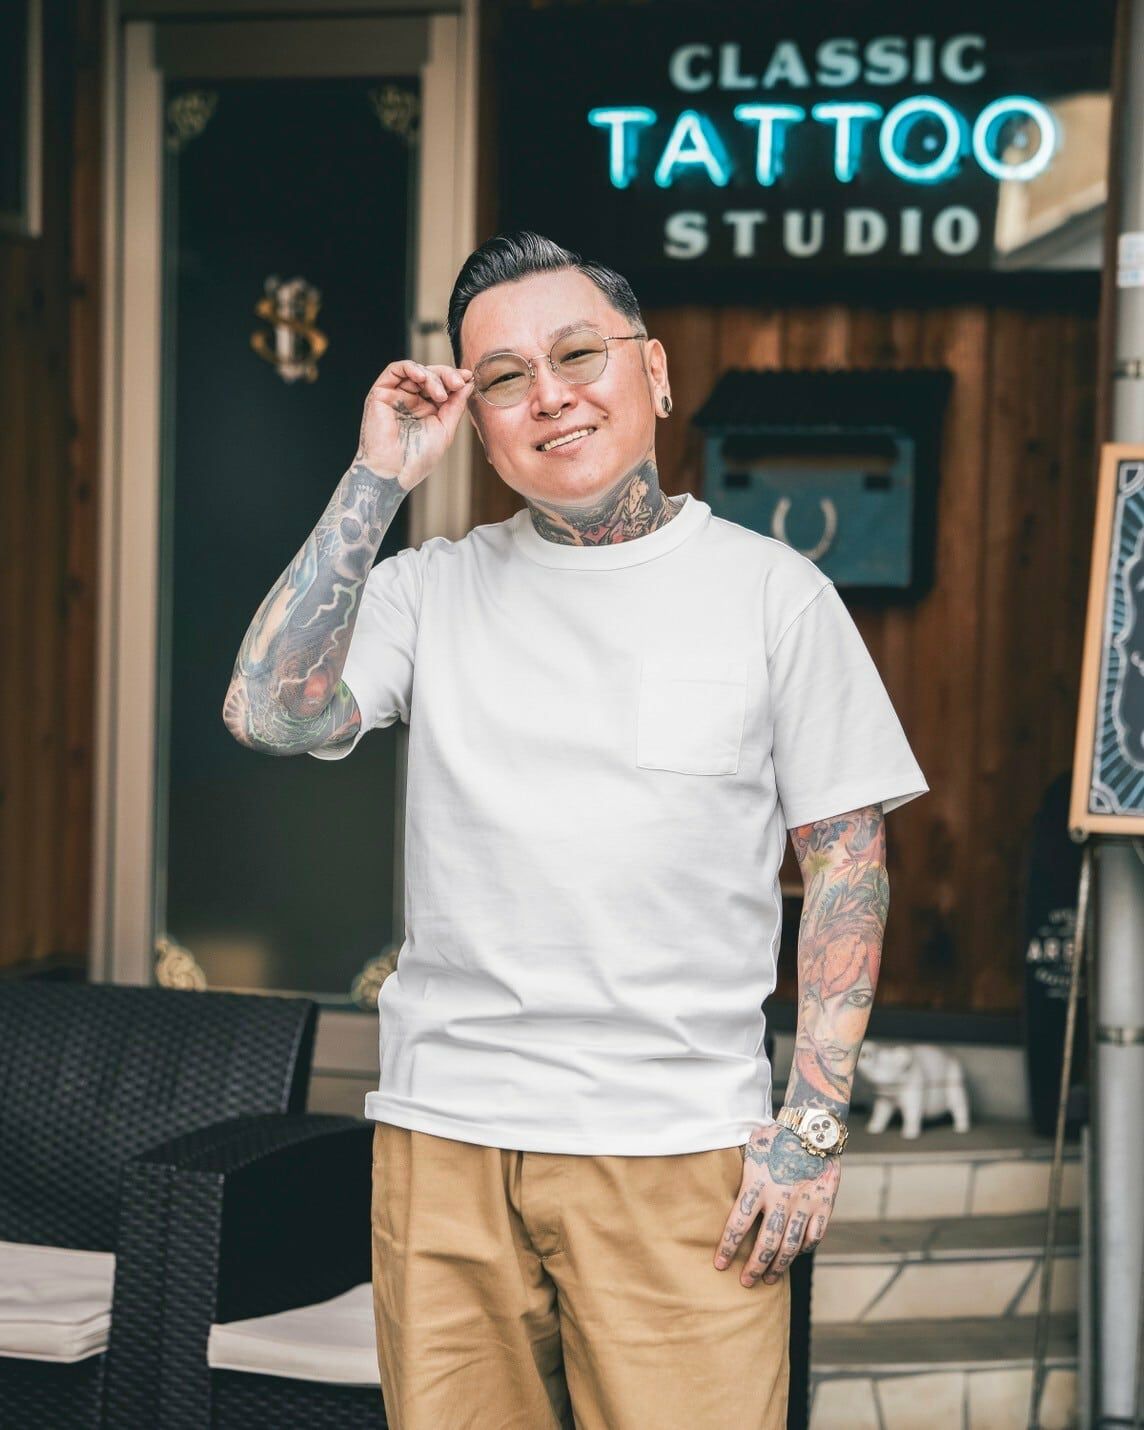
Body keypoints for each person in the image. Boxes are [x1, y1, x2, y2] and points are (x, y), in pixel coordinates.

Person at [222, 230, 929, 1429]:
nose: (548, 394)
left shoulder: (773, 594)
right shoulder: (428, 588)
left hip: (676, 1152)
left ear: (652, 372)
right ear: (479, 422)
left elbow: (846, 864)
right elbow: (268, 713)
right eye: (503, 377)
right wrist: (377, 476)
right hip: (444, 1145)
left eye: (577, 355)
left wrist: (809, 1127)